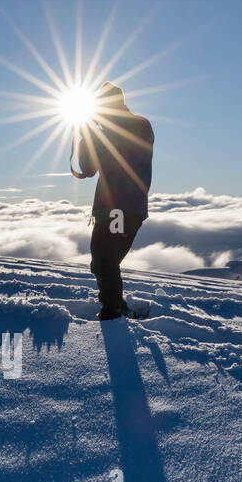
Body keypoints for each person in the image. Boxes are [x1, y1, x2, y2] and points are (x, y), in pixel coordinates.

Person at [73, 83, 154, 320]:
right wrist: (85, 135)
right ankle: (114, 306)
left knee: (105, 259)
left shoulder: (139, 124)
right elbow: (88, 168)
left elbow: (123, 144)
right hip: (111, 209)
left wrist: (95, 130)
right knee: (101, 261)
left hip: (122, 208)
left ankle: (113, 312)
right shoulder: (103, 132)